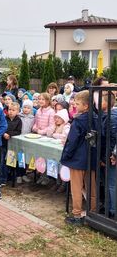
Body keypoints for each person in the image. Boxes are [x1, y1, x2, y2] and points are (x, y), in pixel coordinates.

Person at [61, 90, 96, 225]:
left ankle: (77, 215)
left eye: (77, 104)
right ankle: (92, 212)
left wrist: (67, 155)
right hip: (91, 158)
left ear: (86, 106)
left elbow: (72, 140)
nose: (75, 106)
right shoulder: (96, 117)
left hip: (77, 159)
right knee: (91, 186)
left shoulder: (79, 120)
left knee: (76, 187)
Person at [101, 91, 117, 218]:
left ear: (106, 103)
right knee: (108, 182)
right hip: (108, 154)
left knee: (111, 183)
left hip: (111, 155)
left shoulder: (111, 117)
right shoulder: (107, 115)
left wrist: (111, 155)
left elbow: (112, 138)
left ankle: (112, 211)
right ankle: (109, 206)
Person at [0, 102, 22, 186]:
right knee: (2, 161)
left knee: (10, 161)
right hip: (3, 144)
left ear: (18, 111)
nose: (11, 111)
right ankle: (2, 179)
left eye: (13, 110)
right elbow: (1, 127)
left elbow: (18, 131)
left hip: (12, 145)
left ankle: (10, 177)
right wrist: (4, 133)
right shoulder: (4, 119)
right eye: (9, 109)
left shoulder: (19, 120)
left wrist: (10, 134)